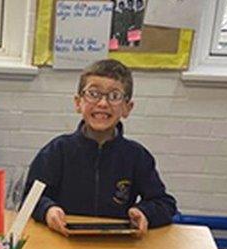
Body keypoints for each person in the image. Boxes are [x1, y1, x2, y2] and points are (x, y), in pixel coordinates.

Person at [24, 58, 177, 236]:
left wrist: (144, 212)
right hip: (64, 240)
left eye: (114, 96)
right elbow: (29, 197)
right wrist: (48, 210)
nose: (103, 104)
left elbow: (164, 203)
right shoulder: (57, 151)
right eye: (93, 94)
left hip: (116, 245)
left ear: (127, 108)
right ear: (78, 102)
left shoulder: (136, 156)